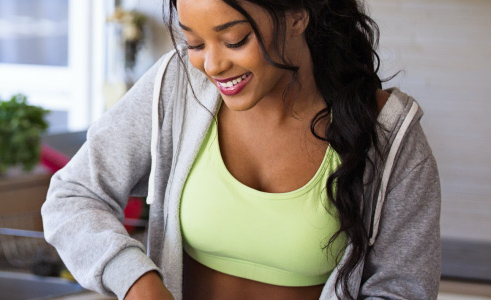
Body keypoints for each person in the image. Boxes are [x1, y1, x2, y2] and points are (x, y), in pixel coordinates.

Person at [41, 0, 441, 299]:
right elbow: (73, 197)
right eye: (195, 42)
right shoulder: (176, 86)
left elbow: (402, 288)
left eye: (234, 40)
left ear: (298, 16)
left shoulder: (389, 135)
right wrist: (137, 281)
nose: (212, 65)